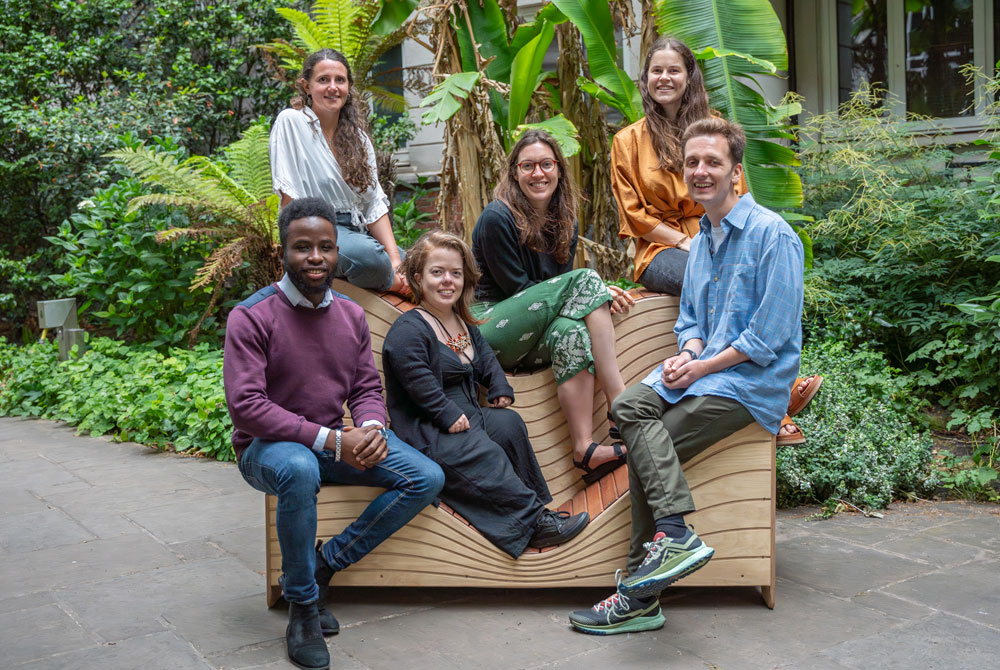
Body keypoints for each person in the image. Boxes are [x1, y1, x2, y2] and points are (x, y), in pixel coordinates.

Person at [569, 118, 803, 634]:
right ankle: (674, 535)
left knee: (649, 446)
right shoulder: (700, 242)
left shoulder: (773, 236)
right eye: (692, 163)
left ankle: (638, 594)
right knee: (629, 408)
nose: (700, 172)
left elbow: (768, 339)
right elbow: (692, 321)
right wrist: (689, 351)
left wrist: (702, 364)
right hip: (704, 371)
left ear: (735, 173)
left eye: (712, 162)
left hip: (750, 385)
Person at [223, 197, 444, 670]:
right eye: (303, 247)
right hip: (267, 449)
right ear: (283, 251)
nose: (317, 257)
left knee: (425, 477)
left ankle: (326, 564)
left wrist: (370, 428)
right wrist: (332, 440)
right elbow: (246, 407)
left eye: (326, 246)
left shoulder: (349, 314)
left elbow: (366, 386)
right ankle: (302, 607)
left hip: (333, 440)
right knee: (300, 468)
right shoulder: (252, 316)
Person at [611, 36, 821, 445]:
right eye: (657, 70)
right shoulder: (627, 141)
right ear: (645, 78)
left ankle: (762, 391)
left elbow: (736, 189)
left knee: (761, 272)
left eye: (674, 69)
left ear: (690, 77)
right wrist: (684, 241)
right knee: (709, 272)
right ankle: (758, 394)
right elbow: (634, 215)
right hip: (660, 248)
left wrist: (755, 234)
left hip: (716, 234)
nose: (665, 78)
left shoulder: (712, 126)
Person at [382, 231, 590, 557]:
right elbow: (417, 381)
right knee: (484, 451)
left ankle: (536, 509)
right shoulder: (410, 329)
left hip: (469, 415)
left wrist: (499, 387)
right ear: (418, 278)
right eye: (437, 273)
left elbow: (486, 360)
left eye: (455, 272)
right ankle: (531, 526)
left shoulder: (462, 323)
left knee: (508, 426)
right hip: (429, 426)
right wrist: (446, 414)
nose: (447, 280)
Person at [471, 130, 635, 484]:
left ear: (559, 170)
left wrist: (588, 293)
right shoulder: (497, 217)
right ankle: (619, 402)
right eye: (527, 165)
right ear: (514, 172)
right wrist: (593, 289)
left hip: (537, 331)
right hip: (491, 327)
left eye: (546, 164)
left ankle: (585, 448)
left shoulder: (566, 220)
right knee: (587, 279)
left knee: (571, 332)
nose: (538, 173)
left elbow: (560, 302)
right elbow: (521, 290)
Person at [269, 48, 408, 294]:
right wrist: (299, 247)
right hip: (315, 231)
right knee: (370, 258)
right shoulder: (291, 122)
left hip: (358, 231)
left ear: (348, 87)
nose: (333, 87)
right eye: (323, 80)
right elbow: (289, 197)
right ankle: (398, 286)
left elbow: (374, 204)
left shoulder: (359, 139)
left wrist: (396, 261)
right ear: (306, 86)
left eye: (339, 80)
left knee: (422, 262)